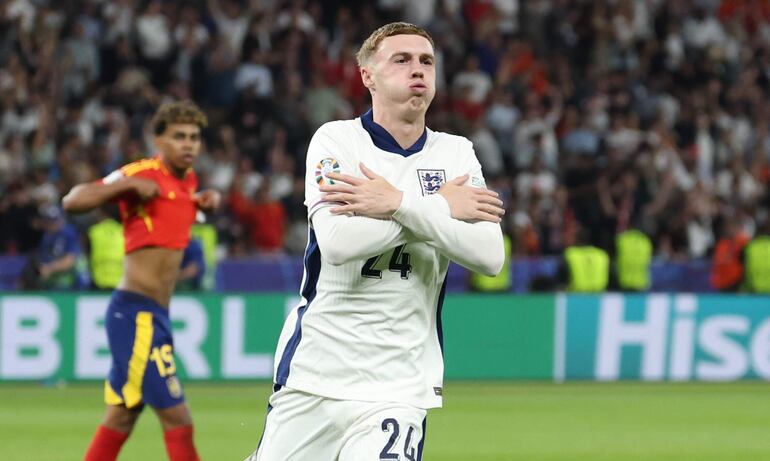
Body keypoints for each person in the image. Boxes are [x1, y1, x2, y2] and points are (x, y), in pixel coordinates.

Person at [245, 22, 505, 461]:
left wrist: (395, 203)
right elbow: (340, 242)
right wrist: (439, 204)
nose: (417, 70)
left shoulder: (456, 153)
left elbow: (489, 256)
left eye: (426, 61)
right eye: (401, 60)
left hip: (400, 385)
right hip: (317, 372)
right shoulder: (336, 141)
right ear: (368, 75)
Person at [62, 101, 220, 461]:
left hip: (154, 317)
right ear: (158, 140)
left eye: (194, 137)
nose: (189, 144)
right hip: (136, 315)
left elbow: (175, 210)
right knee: (178, 417)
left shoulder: (188, 181)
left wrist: (205, 204)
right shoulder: (143, 173)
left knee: (122, 417)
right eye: (178, 136)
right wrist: (127, 186)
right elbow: (73, 200)